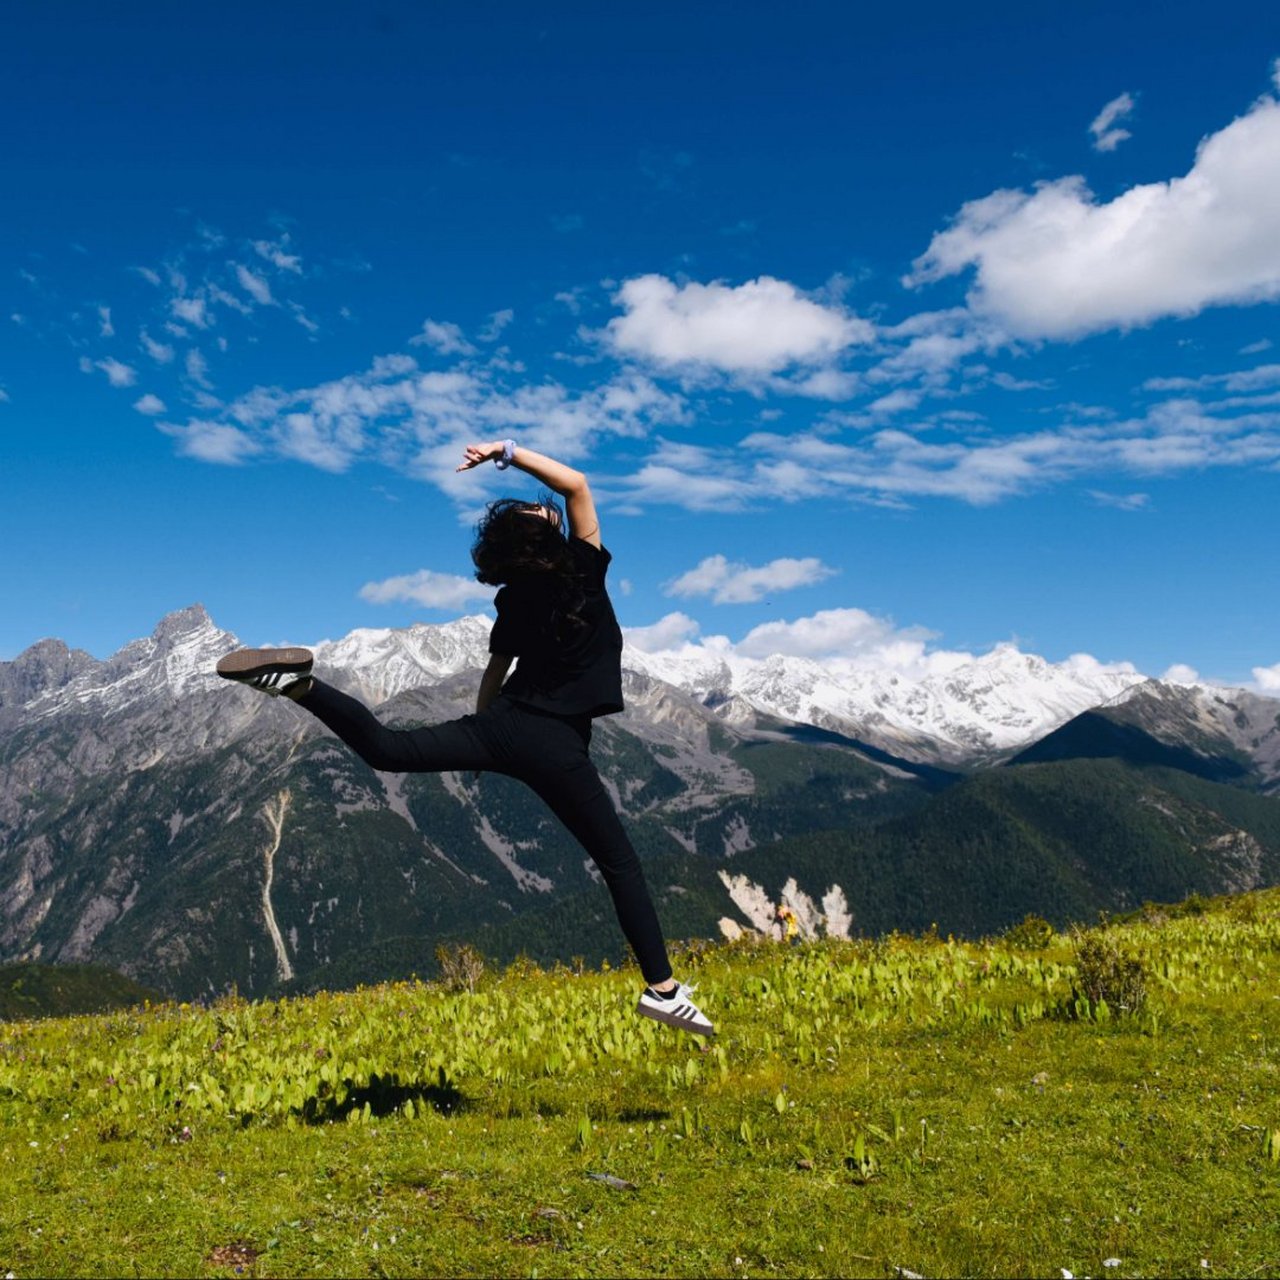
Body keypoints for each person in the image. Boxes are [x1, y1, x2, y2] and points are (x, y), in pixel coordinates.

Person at [215, 438, 713, 1037]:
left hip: (506, 727)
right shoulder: (585, 567)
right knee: (620, 864)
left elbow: (494, 678)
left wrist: (484, 743)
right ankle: (662, 990)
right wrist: (508, 450)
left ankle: (297, 687)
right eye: (540, 512)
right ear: (546, 536)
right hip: (556, 745)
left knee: (386, 750)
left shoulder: (516, 601)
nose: (546, 507)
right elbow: (576, 484)